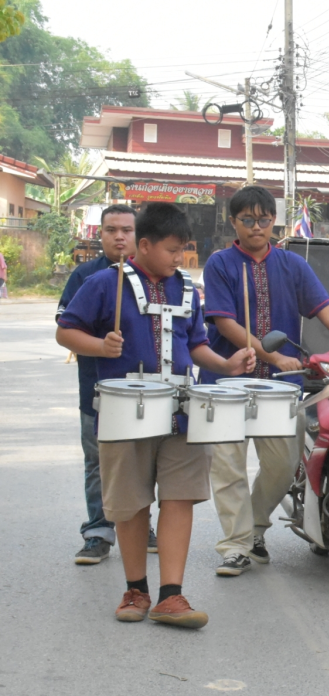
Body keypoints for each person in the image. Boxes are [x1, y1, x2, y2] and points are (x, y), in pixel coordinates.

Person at [56, 202, 257, 628]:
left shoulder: (187, 289)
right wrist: (99, 347)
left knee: (179, 497)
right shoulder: (104, 285)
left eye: (183, 249)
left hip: (182, 412)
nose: (178, 258)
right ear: (143, 245)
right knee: (131, 504)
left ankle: (171, 595)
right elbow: (65, 329)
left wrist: (227, 365)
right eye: (171, 250)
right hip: (125, 412)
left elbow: (197, 345)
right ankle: (135, 590)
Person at [202, 185, 329, 577]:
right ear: (234, 222)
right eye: (248, 220)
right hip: (226, 380)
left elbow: (326, 311)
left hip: (281, 385)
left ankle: (254, 528)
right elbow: (226, 323)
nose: (257, 227)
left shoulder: (292, 265)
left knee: (283, 464)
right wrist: (272, 355)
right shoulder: (220, 263)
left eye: (264, 219)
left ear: (273, 221)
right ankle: (235, 546)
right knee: (228, 466)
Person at [56, 205, 163, 564]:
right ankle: (99, 531)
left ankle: (139, 522)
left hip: (150, 393)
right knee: (98, 462)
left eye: (126, 230)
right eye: (110, 229)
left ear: (140, 237)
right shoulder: (86, 277)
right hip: (98, 391)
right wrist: (100, 346)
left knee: (144, 462)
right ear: (99, 234)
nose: (119, 236)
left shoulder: (158, 277)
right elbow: (65, 333)